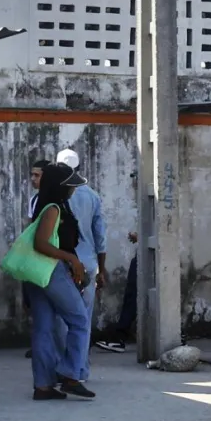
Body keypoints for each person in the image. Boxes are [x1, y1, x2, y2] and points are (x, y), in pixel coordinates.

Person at [25, 163, 95, 400]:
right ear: (60, 187)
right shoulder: (53, 208)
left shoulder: (46, 205)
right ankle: (70, 375)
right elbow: (41, 244)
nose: (73, 190)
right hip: (53, 269)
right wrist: (72, 260)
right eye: (70, 186)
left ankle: (43, 386)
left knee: (44, 328)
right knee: (80, 320)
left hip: (38, 272)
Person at [54, 149, 107, 381]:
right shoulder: (92, 196)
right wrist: (102, 269)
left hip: (63, 262)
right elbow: (100, 236)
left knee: (62, 319)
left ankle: (66, 368)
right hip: (88, 263)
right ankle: (81, 369)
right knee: (83, 319)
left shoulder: (56, 194)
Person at [95, 170, 139, 352]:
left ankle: (120, 337)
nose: (134, 185)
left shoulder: (153, 200)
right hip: (147, 255)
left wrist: (140, 237)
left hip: (151, 257)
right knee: (136, 296)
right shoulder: (148, 201)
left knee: (133, 295)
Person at [24, 159, 50, 360]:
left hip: (48, 259)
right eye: (32, 175)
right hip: (35, 258)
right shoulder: (35, 200)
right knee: (34, 303)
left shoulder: (53, 202)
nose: (33, 179)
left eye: (37, 175)